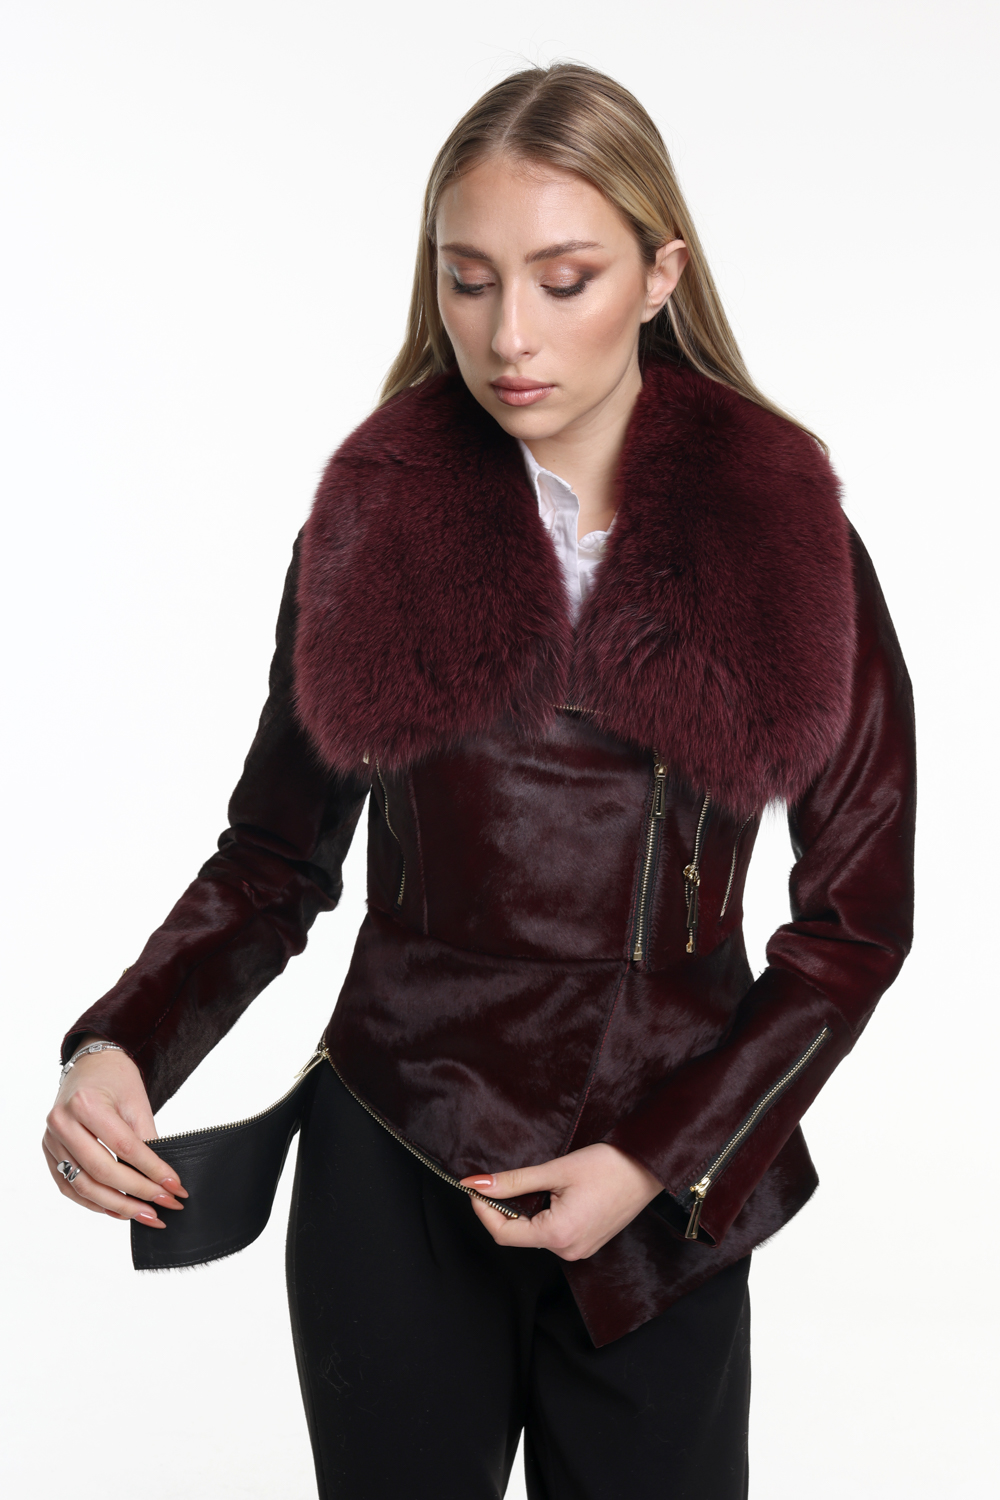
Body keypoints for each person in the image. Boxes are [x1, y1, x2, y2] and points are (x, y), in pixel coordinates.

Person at [43, 63, 915, 1500]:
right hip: (395, 1158)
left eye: (564, 280)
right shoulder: (369, 524)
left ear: (660, 274)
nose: (509, 335)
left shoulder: (788, 536)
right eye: (468, 280)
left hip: (664, 1197)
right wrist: (122, 1046)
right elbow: (275, 860)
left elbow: (852, 929)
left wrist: (655, 1162)